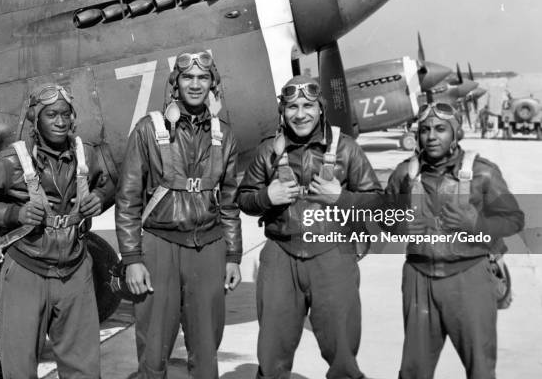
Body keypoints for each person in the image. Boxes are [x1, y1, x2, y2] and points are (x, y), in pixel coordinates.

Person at [0, 84, 112, 379]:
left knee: (85, 370)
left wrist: (100, 198)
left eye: (66, 114)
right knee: (20, 369)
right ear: (36, 119)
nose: (60, 121)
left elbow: (110, 182)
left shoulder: (84, 154)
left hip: (75, 272)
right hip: (27, 272)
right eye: (51, 115)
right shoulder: (13, 162)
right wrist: (14, 214)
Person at [236, 75, 382, 379]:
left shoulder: (347, 150)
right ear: (282, 111)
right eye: (291, 107)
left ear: (320, 109)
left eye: (307, 106)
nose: (299, 114)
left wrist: (340, 197)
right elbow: (244, 199)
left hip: (333, 256)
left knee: (342, 351)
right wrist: (267, 196)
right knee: (272, 353)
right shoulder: (268, 152)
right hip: (280, 255)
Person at [115, 49, 242, 379]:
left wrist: (233, 255)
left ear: (212, 84)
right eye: (188, 77)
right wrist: (132, 258)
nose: (196, 84)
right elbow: (127, 199)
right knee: (154, 349)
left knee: (206, 348)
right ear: (176, 83)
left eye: (203, 78)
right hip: (160, 246)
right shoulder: (148, 130)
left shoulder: (224, 135)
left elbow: (228, 202)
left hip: (209, 247)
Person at [385, 102, 524, 379]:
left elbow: (513, 219)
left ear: (456, 133)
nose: (431, 136)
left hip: (469, 276)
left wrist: (476, 224)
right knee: (414, 370)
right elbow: (384, 218)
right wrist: (400, 224)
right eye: (425, 130)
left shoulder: (483, 173)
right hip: (418, 278)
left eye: (440, 129)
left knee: (480, 368)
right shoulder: (405, 174)